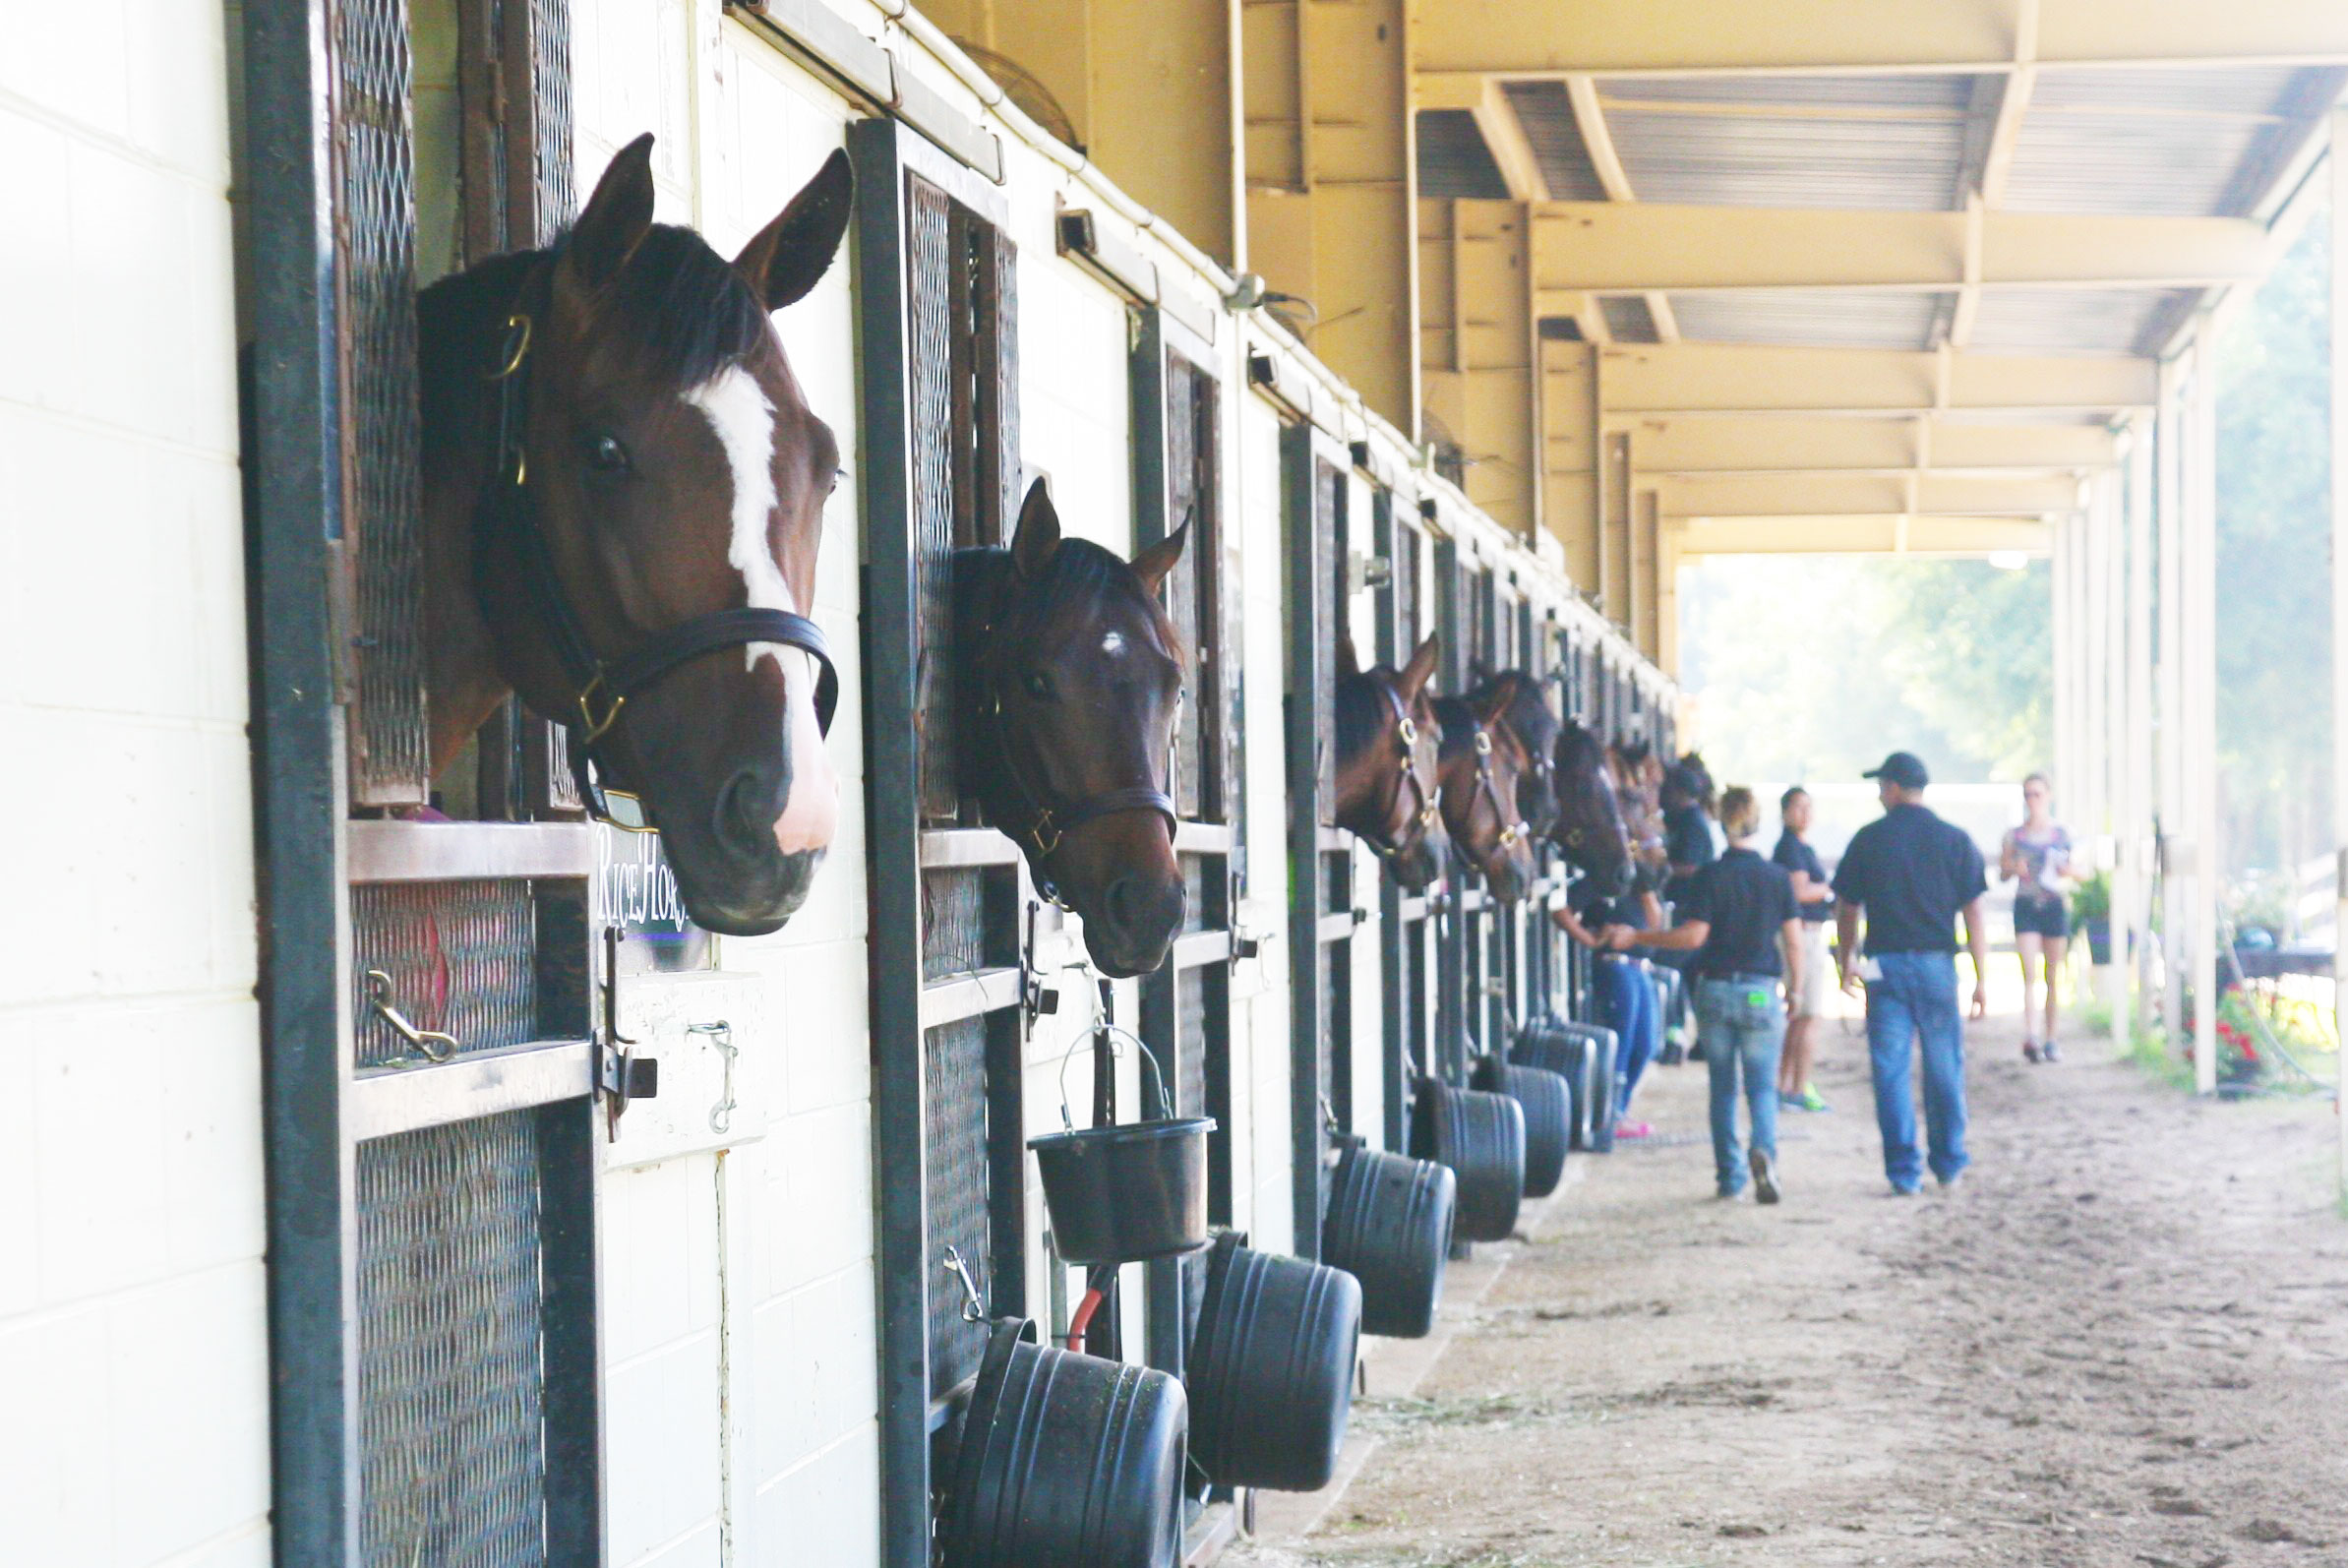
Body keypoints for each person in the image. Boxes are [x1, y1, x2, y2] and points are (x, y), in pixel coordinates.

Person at [1612, 787, 1802, 1202]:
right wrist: (1797, 988)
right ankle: (1763, 1152)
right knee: (1762, 1087)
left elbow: (1695, 935)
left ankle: (1729, 1177)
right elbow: (1792, 942)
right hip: (1760, 992)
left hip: (1715, 990)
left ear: (1721, 821)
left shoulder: (1710, 876)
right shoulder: (1777, 878)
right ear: (1757, 822)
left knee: (1723, 1087)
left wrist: (1639, 936)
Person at [1833, 752, 1989, 1196]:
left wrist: (1847, 960)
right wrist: (1981, 977)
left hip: (1886, 968)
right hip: (1938, 964)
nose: (1880, 793)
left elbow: (1847, 907)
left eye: (1882, 785)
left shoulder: (1869, 840)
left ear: (1896, 788)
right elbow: (1974, 913)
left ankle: (1904, 1171)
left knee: (1890, 1070)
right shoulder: (1954, 840)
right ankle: (1949, 1160)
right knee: (1944, 1066)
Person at [1553, 883, 1664, 1138]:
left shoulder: (1642, 882)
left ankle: (1619, 1109)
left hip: (1642, 967)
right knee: (1621, 1042)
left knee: (1645, 1044)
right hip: (1615, 964)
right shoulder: (1600, 878)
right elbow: (1560, 910)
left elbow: (1656, 924)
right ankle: (1610, 1114)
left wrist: (1647, 888)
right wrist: (1589, 939)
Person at [1999, 773, 2074, 1063]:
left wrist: (2067, 871)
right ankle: (2031, 1034)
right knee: (2029, 973)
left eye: (2037, 794)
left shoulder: (2063, 834)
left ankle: (2052, 1038)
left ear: (2048, 796)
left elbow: (2078, 869)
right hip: (2027, 904)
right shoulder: (2013, 835)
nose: (2033, 800)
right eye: (2028, 794)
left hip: (2054, 904)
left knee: (2052, 975)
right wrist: (2014, 868)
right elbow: (2003, 872)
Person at [1771, 787, 1835, 1112]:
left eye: (1808, 807)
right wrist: (1831, 888)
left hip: (1809, 932)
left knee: (1799, 1017)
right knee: (1808, 1015)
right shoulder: (1791, 848)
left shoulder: (1798, 847)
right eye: (1798, 807)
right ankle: (1796, 1087)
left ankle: (1784, 1084)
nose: (1804, 814)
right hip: (1803, 935)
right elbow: (1799, 891)